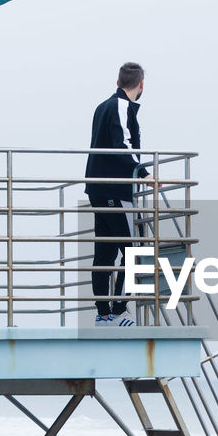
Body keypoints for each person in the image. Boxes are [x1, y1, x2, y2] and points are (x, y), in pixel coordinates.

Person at [85, 62, 148, 325]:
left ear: (118, 81)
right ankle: (120, 310)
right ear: (141, 85)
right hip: (115, 188)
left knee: (105, 252)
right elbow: (121, 144)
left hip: (98, 188)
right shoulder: (121, 106)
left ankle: (103, 314)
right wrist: (142, 172)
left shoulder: (103, 106)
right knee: (136, 250)